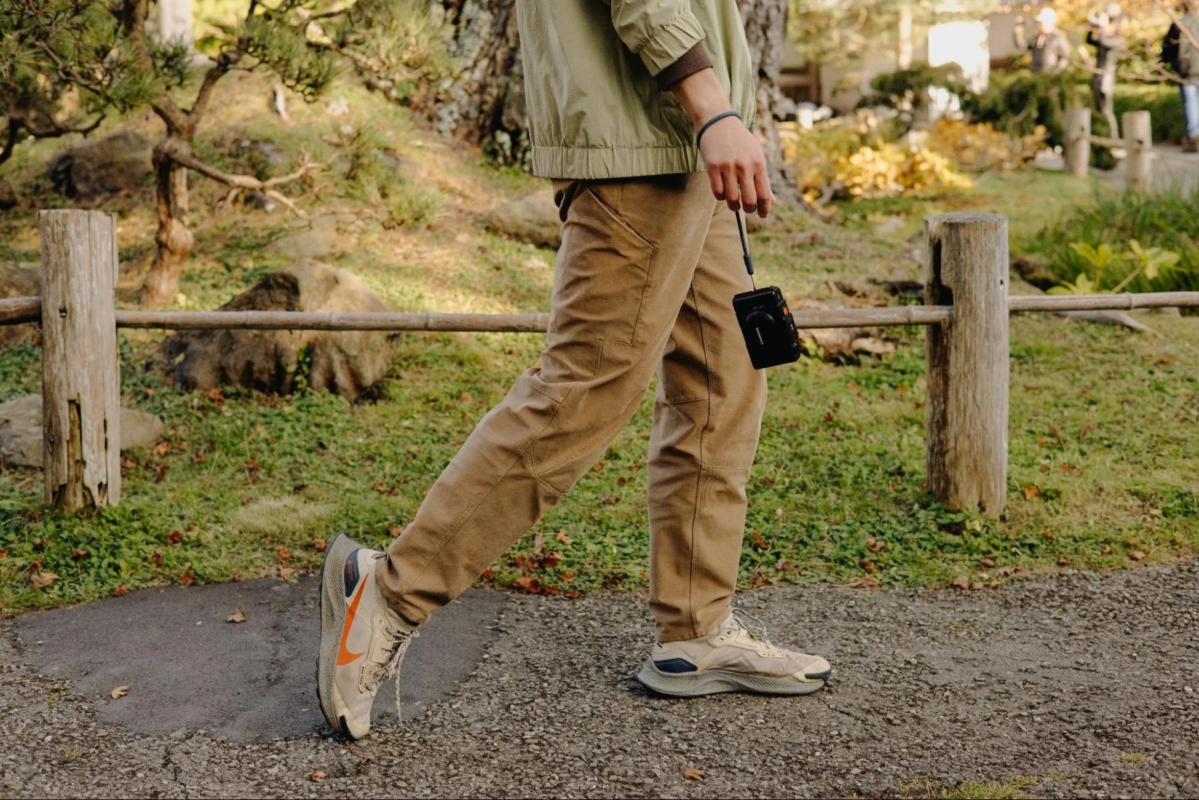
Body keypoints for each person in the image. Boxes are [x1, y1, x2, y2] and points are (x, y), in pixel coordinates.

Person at [315, 0, 833, 740]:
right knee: (586, 388)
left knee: (722, 382)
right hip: (641, 146)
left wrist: (719, 116)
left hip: (684, 142)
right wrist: (713, 109)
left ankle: (695, 630)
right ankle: (391, 592)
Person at [1087, 3, 1125, 140]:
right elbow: (1089, 40)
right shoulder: (1105, 37)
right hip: (1097, 77)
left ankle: (1113, 138)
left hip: (1106, 78)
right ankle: (1101, 136)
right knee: (1097, 110)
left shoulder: (1117, 39)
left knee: (1106, 111)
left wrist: (1101, 28)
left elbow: (1104, 42)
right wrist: (1092, 28)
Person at [1168, 6, 1199, 151]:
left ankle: (1193, 138)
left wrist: (1177, 67)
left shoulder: (1179, 24)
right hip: (1191, 69)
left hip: (1187, 71)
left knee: (1190, 105)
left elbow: (1169, 47)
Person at [1013, 6, 1073, 74]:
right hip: (1036, 74)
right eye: (1038, 23)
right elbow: (1022, 46)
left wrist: (1056, 72)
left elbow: (1065, 57)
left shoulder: (1057, 38)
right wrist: (1018, 34)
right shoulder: (1036, 38)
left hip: (1050, 75)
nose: (1039, 25)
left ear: (1050, 22)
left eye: (1041, 23)